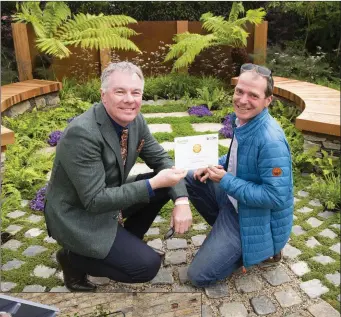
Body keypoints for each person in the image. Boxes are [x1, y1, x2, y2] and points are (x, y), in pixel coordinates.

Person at [44, 62, 192, 292]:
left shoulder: (135, 120)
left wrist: (181, 200)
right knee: (146, 267)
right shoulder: (82, 134)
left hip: (110, 200)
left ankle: (122, 241)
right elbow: (95, 201)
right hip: (79, 214)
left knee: (165, 184)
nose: (129, 99)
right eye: (120, 91)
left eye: (136, 92)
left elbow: (162, 160)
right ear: (103, 95)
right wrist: (153, 183)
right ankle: (72, 258)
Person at [185, 63, 293, 287]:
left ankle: (258, 251)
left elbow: (275, 197)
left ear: (267, 101)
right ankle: (225, 236)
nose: (242, 100)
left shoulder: (271, 141)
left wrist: (224, 180)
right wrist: (216, 165)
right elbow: (237, 158)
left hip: (253, 218)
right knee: (192, 177)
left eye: (253, 95)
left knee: (198, 277)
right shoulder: (243, 121)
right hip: (235, 202)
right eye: (239, 91)